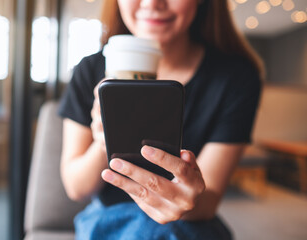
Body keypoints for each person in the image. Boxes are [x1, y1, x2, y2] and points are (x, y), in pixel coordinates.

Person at [58, 0, 263, 239]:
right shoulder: (90, 70)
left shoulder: (235, 78)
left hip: (188, 224)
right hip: (109, 218)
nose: (152, 3)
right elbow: (76, 187)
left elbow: (209, 199)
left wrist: (188, 198)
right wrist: (105, 140)